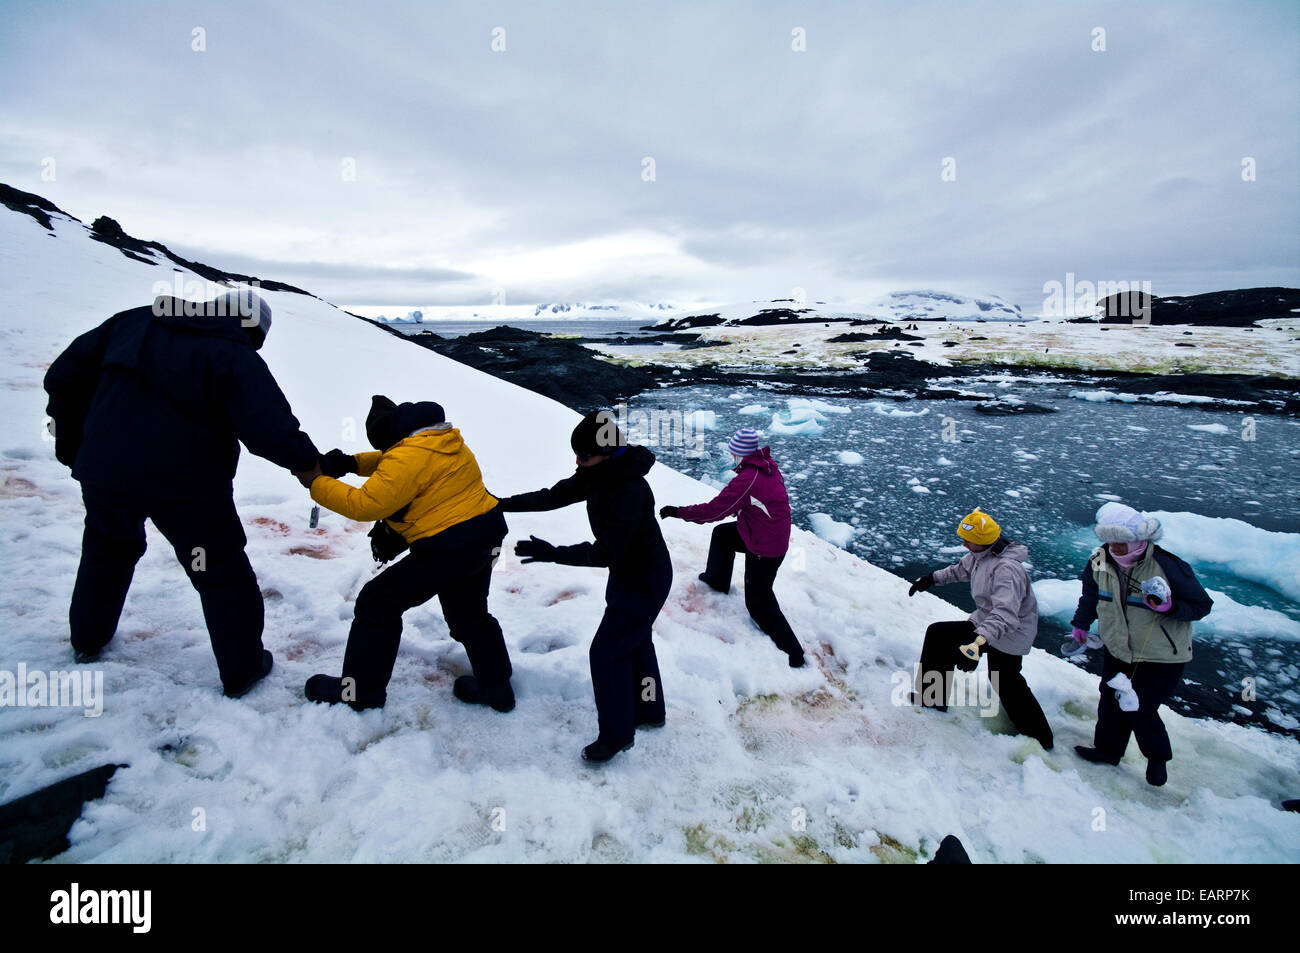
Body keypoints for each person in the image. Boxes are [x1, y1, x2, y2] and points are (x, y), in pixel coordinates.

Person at [42, 289, 321, 697]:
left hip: (106, 473)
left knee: (106, 550)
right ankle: (242, 668)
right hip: (188, 486)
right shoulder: (230, 351)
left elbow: (63, 378)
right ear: (249, 326)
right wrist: (306, 464)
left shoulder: (131, 322)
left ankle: (88, 640)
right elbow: (268, 427)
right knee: (220, 571)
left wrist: (75, 445)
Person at [301, 395, 512, 712]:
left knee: (377, 604)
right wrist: (350, 463)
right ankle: (497, 688)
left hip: (448, 547)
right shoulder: (440, 438)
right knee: (469, 615)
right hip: (486, 533)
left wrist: (317, 483)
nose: (386, 453)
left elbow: (365, 504)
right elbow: (391, 461)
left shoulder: (406, 459)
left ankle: (360, 692)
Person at [497, 410, 672, 763]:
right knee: (635, 642)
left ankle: (617, 736)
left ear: (607, 453)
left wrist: (553, 553)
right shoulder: (598, 474)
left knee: (606, 653)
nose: (578, 462)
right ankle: (649, 710)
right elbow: (551, 497)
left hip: (645, 578)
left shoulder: (630, 489)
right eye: (576, 454)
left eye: (585, 456)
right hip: (629, 574)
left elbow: (605, 552)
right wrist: (499, 503)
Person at [1069, 502, 1212, 786]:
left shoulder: (1168, 565)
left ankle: (1157, 759)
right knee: (1110, 701)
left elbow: (1201, 605)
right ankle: (1107, 751)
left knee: (1139, 707)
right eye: (1110, 542)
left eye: (1122, 542)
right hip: (1118, 647)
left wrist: (1170, 607)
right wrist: (1081, 623)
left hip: (1160, 655)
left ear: (1139, 539)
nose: (1115, 548)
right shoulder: (1099, 559)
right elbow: (1091, 594)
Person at [907, 507, 1054, 750]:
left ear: (983, 541)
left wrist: (977, 643)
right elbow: (959, 570)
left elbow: (1006, 615)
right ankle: (931, 698)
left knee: (1006, 680)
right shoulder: (982, 555)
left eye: (968, 540)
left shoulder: (1007, 570)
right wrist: (931, 579)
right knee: (939, 635)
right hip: (986, 623)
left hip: (1010, 632)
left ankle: (1041, 738)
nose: (964, 544)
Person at [659, 428, 805, 667]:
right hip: (761, 532)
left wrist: (677, 512)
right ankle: (716, 580)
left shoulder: (748, 480)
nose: (731, 456)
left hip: (765, 547)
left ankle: (794, 653)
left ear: (742, 454)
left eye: (733, 452)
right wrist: (742, 509)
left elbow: (713, 511)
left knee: (759, 603)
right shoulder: (765, 466)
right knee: (723, 535)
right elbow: (760, 501)